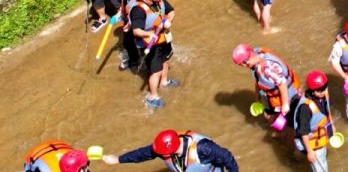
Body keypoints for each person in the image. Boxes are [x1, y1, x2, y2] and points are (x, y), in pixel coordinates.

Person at [130, 0, 176, 108]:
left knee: (166, 60)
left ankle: (165, 82)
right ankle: (152, 96)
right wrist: (149, 34)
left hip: (163, 38)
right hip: (149, 43)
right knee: (155, 70)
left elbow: (171, 11)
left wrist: (169, 21)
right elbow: (136, 31)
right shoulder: (138, 10)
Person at [232, 42, 301, 128]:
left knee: (292, 123)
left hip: (289, 94)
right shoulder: (256, 57)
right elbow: (258, 80)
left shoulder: (268, 68)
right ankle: (277, 132)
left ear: (246, 61)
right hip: (273, 95)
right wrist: (257, 95)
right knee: (268, 116)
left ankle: (282, 134)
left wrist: (285, 104)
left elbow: (282, 84)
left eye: (242, 64)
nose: (243, 66)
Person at [101, 131, 239, 170]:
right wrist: (118, 159)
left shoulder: (203, 148)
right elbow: (142, 154)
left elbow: (227, 157)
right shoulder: (164, 147)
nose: (157, 154)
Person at [23, 148, 90, 172]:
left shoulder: (65, 158)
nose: (87, 165)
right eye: (84, 166)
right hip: (32, 163)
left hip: (44, 154)